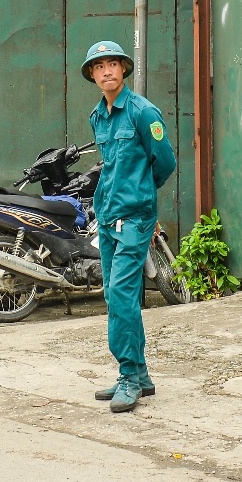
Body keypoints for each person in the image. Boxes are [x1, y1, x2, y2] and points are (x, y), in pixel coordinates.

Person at [79, 41, 176, 413]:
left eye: (113, 64)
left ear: (124, 69)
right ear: (92, 75)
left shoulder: (142, 112)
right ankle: (141, 373)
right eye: (99, 66)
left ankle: (128, 378)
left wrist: (141, 194)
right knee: (116, 295)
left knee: (121, 295)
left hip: (135, 217)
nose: (106, 71)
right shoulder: (98, 116)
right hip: (106, 215)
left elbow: (164, 162)